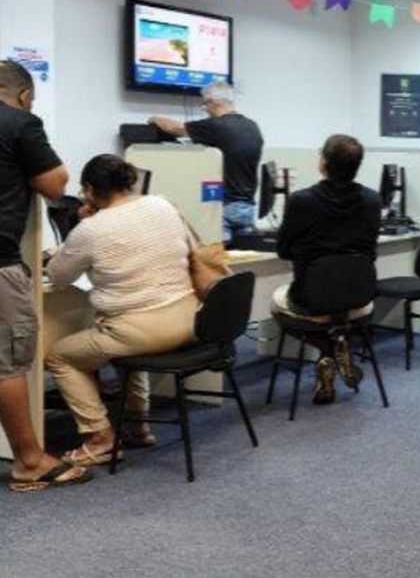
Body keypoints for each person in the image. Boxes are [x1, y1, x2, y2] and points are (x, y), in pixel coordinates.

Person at [46, 154, 199, 466]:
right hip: (191, 321)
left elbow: (59, 276)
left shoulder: (91, 229)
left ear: (89, 190)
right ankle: (139, 426)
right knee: (122, 338)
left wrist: (85, 224)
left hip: (139, 331)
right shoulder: (162, 204)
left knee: (60, 356)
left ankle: (100, 437)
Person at [0, 61, 91, 491]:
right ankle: (30, 462)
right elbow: (56, 185)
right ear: (23, 96)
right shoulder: (19, 121)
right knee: (7, 364)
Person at [271, 134, 380, 405]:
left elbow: (283, 250)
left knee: (275, 304)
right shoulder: (372, 200)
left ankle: (328, 349)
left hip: (311, 299)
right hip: (359, 297)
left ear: (323, 163)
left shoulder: (301, 200)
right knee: (335, 302)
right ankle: (337, 346)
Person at [148, 81, 264, 243]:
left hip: (224, 207)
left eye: (204, 105)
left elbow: (175, 128)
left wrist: (154, 118)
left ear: (213, 103)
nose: (205, 109)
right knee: (240, 253)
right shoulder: (251, 126)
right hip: (247, 208)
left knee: (215, 255)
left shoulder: (217, 125)